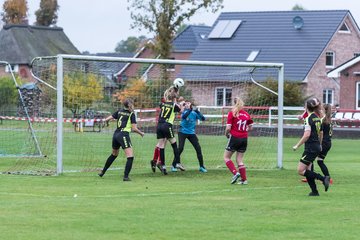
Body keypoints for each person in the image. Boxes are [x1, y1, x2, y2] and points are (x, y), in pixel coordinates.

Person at [98, 98, 144, 181]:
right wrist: (141, 133)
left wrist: (107, 123)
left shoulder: (119, 111)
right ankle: (126, 177)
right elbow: (134, 128)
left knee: (114, 154)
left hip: (116, 135)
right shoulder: (131, 114)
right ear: (131, 105)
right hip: (123, 135)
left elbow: (107, 119)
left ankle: (102, 172)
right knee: (130, 156)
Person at [293, 97, 330, 196]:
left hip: (310, 148)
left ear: (306, 107)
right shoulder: (317, 118)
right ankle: (314, 191)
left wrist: (297, 145)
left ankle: (323, 178)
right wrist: (320, 145)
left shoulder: (308, 119)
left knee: (300, 170)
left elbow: (307, 135)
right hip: (316, 146)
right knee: (308, 170)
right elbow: (321, 133)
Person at [151, 86, 181, 175]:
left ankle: (163, 166)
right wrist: (176, 100)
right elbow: (180, 110)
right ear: (174, 97)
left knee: (161, 146)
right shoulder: (174, 105)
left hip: (159, 125)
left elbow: (166, 97)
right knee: (174, 145)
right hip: (167, 126)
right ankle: (177, 163)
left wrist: (171, 92)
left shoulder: (162, 104)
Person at [224, 97, 253, 184]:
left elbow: (228, 128)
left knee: (226, 157)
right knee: (239, 160)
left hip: (235, 137)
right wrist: (244, 131)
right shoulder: (246, 114)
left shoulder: (232, 113)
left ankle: (235, 173)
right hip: (244, 138)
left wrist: (226, 134)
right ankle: (244, 180)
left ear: (234, 103)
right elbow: (251, 127)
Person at [176, 100, 207, 173]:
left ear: (190, 104)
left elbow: (203, 119)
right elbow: (184, 116)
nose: (186, 104)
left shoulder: (194, 112)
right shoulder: (184, 111)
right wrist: (190, 110)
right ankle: (174, 165)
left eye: (188, 103)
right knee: (180, 148)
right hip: (182, 132)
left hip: (191, 133)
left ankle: (201, 166)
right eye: (185, 104)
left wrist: (198, 112)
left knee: (198, 148)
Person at [316, 103, 333, 182]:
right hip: (328, 143)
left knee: (310, 158)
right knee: (320, 161)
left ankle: (309, 177)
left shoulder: (323, 120)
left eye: (321, 109)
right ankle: (328, 178)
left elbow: (320, 133)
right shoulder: (329, 119)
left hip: (323, 143)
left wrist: (319, 144)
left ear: (324, 110)